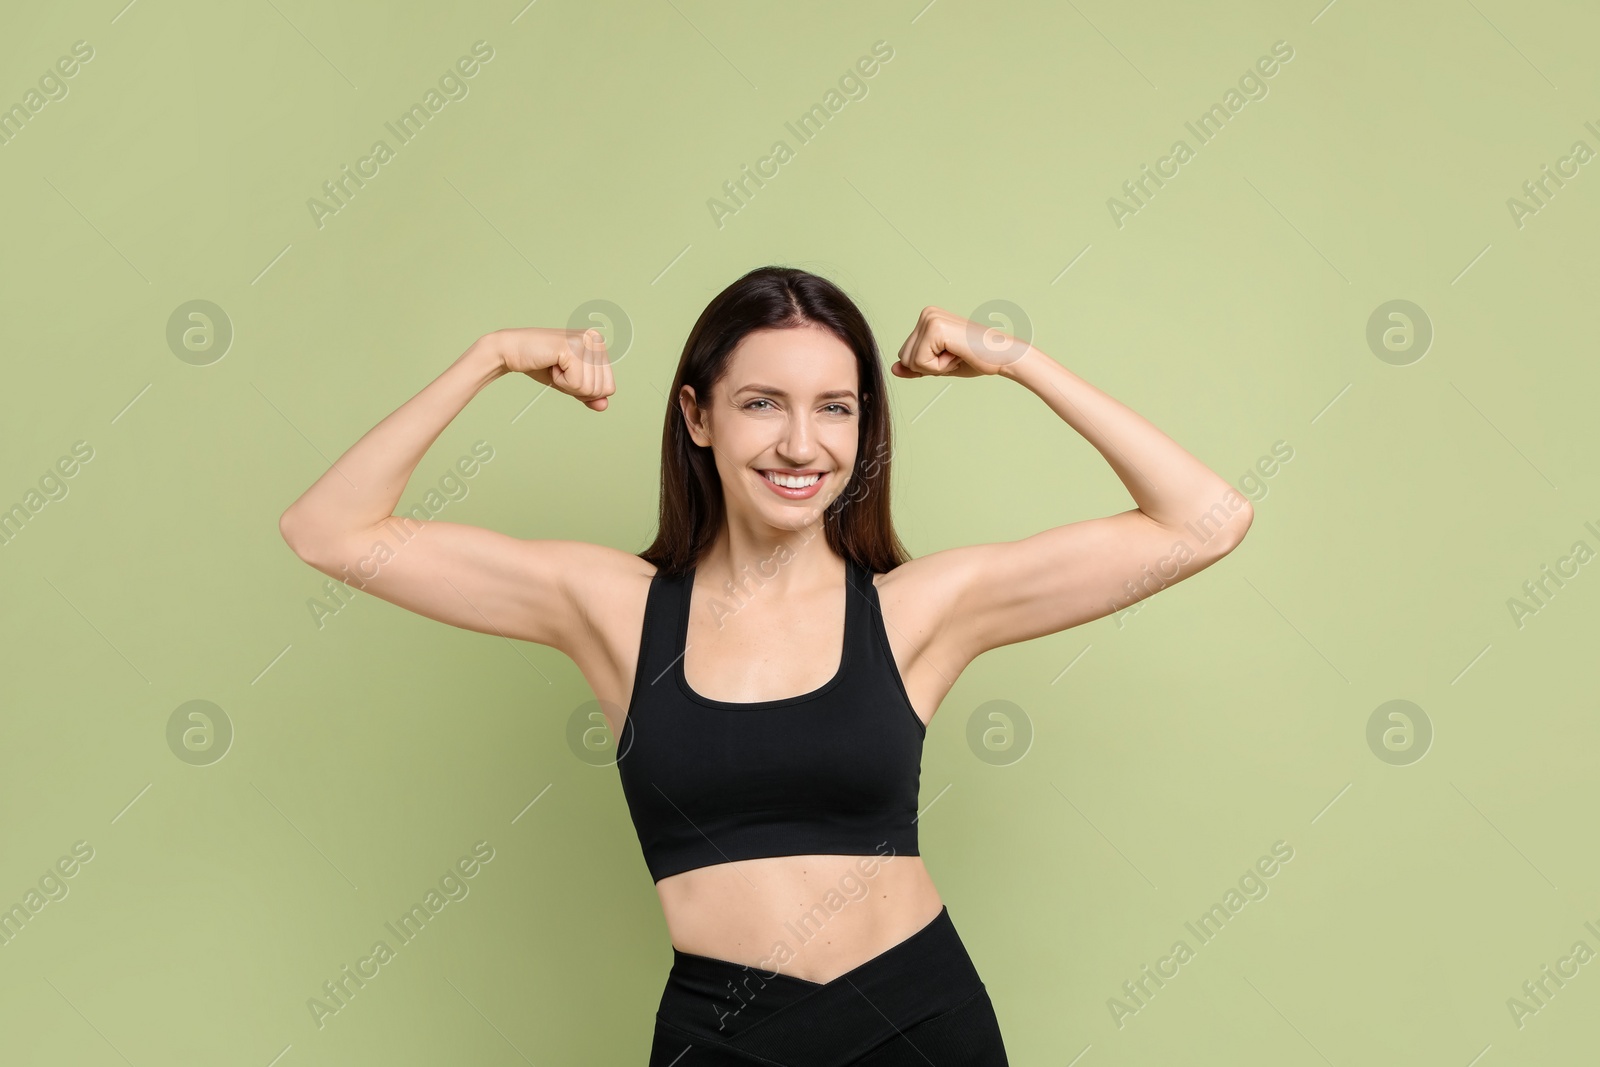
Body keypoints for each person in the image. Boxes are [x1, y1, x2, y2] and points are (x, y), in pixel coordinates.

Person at [278, 265, 1253, 1063]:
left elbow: (1206, 518)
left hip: (915, 1019)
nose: (800, 441)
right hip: (721, 1036)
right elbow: (327, 529)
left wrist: (1015, 358)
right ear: (698, 418)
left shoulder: (915, 610)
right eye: (762, 403)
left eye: (835, 407)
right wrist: (488, 357)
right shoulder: (616, 610)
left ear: (864, 428)